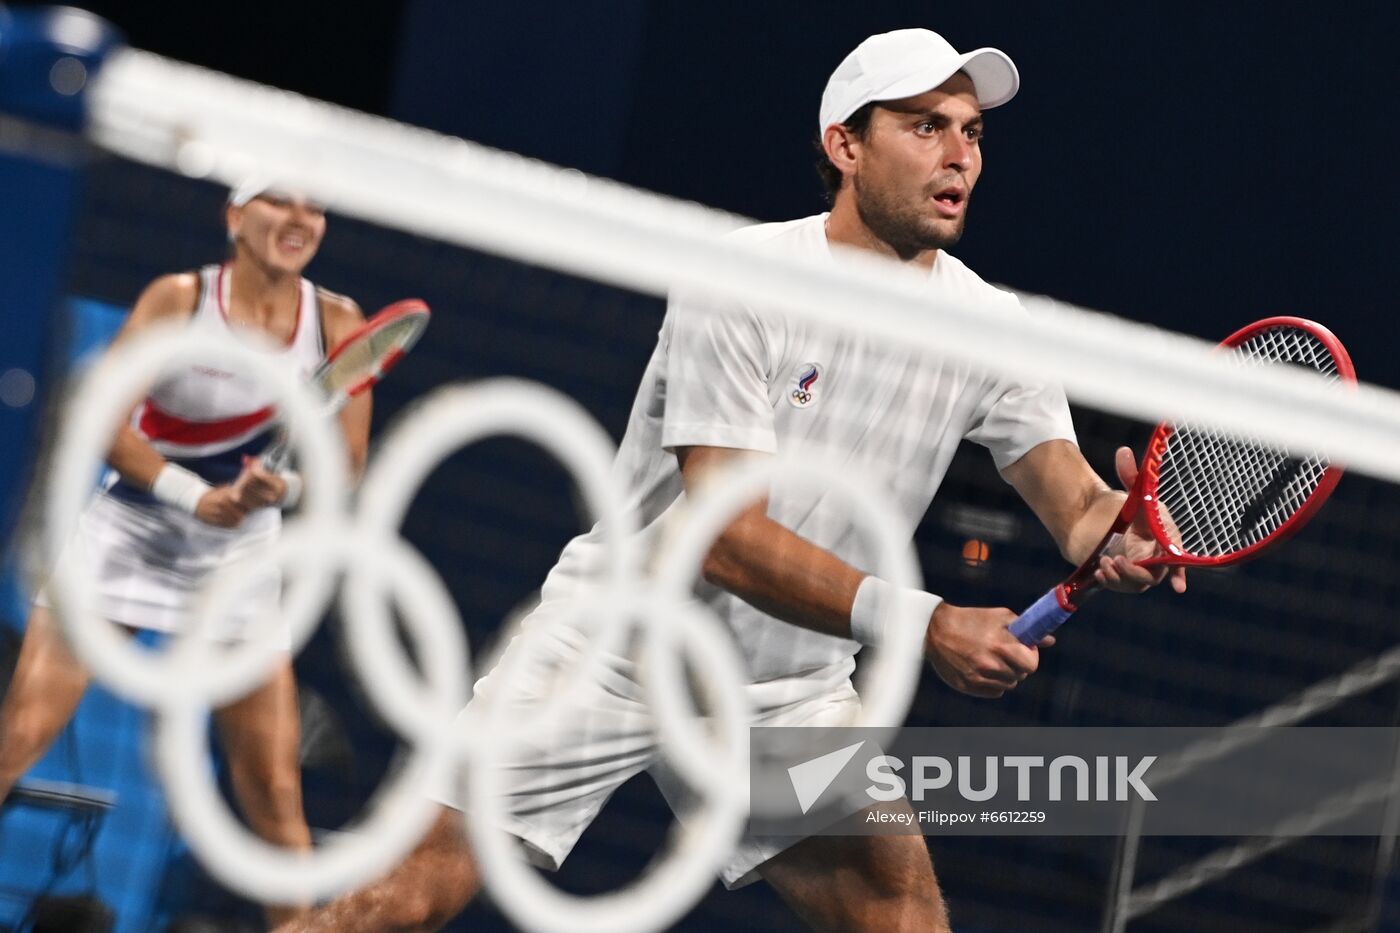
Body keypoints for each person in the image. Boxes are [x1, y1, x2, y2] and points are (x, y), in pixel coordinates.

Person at [276, 27, 1185, 933]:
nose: (960, 155)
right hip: (614, 649)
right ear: (845, 146)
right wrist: (928, 624)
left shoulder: (992, 325)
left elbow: (1075, 505)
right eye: (924, 127)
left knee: (900, 913)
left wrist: (1120, 530)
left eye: (972, 132)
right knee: (396, 903)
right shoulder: (747, 278)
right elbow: (727, 537)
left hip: (785, 696)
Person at [0, 181, 369, 928]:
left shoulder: (337, 322)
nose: (301, 220)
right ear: (235, 217)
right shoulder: (177, 300)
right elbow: (102, 419)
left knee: (273, 791)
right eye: (280, 202)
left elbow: (347, 461)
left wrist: (281, 487)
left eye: (315, 207)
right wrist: (190, 495)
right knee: (18, 736)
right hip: (127, 539)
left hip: (238, 567)